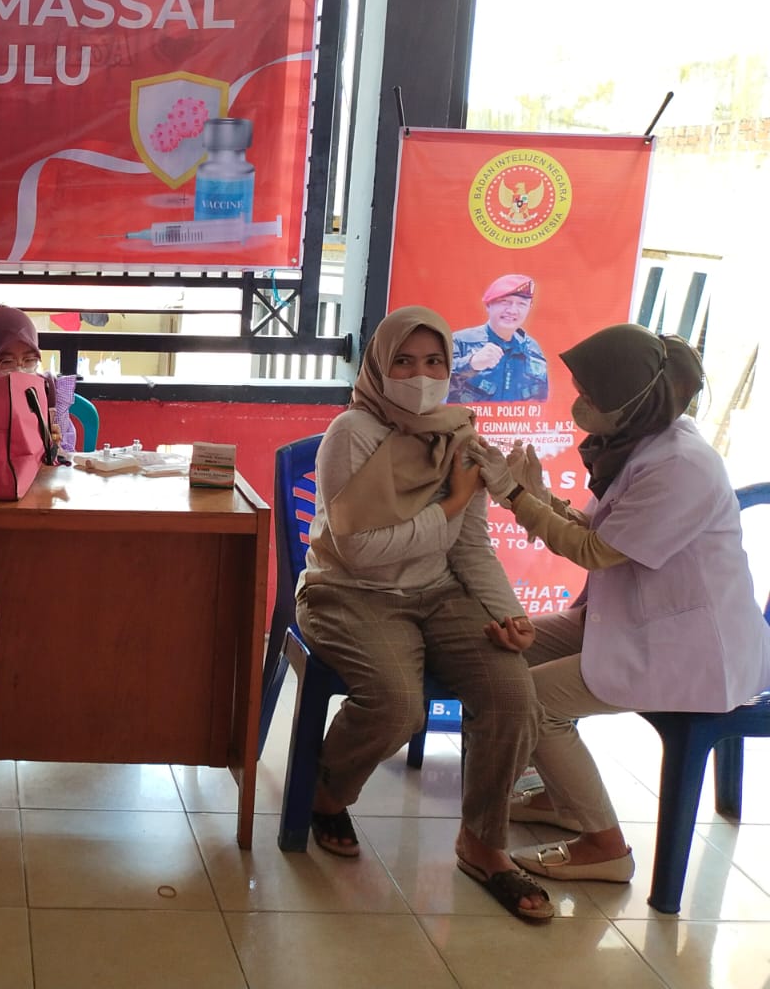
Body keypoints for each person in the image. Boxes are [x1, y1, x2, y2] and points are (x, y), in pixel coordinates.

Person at [469, 324, 770, 884]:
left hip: (691, 649)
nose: (580, 401)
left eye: (592, 393)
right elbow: (598, 527)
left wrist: (515, 496)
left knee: (535, 701)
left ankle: (605, 844)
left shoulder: (681, 466)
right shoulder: (642, 445)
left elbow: (595, 551)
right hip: (638, 620)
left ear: (634, 401)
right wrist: (536, 495)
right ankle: (562, 798)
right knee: (500, 653)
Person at [295, 305, 552, 922]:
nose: (420, 375)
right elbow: (359, 550)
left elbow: (471, 547)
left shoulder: (457, 434)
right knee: (396, 704)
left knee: (513, 694)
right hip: (348, 592)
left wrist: (510, 613)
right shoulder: (352, 433)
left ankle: (483, 843)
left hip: (436, 592)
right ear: (379, 368)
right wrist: (451, 504)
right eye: (404, 362)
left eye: (434, 361)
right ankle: (327, 792)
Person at [0, 304, 73, 450]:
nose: (19, 371)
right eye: (7, 362)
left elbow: (66, 455)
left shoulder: (49, 396)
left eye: (29, 360)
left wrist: (52, 447)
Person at [449, 274, 549, 404]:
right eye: (505, 302)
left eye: (522, 304)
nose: (512, 310)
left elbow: (541, 404)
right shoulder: (461, 342)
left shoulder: (532, 349)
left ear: (529, 308)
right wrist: (471, 364)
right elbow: (433, 387)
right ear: (488, 304)